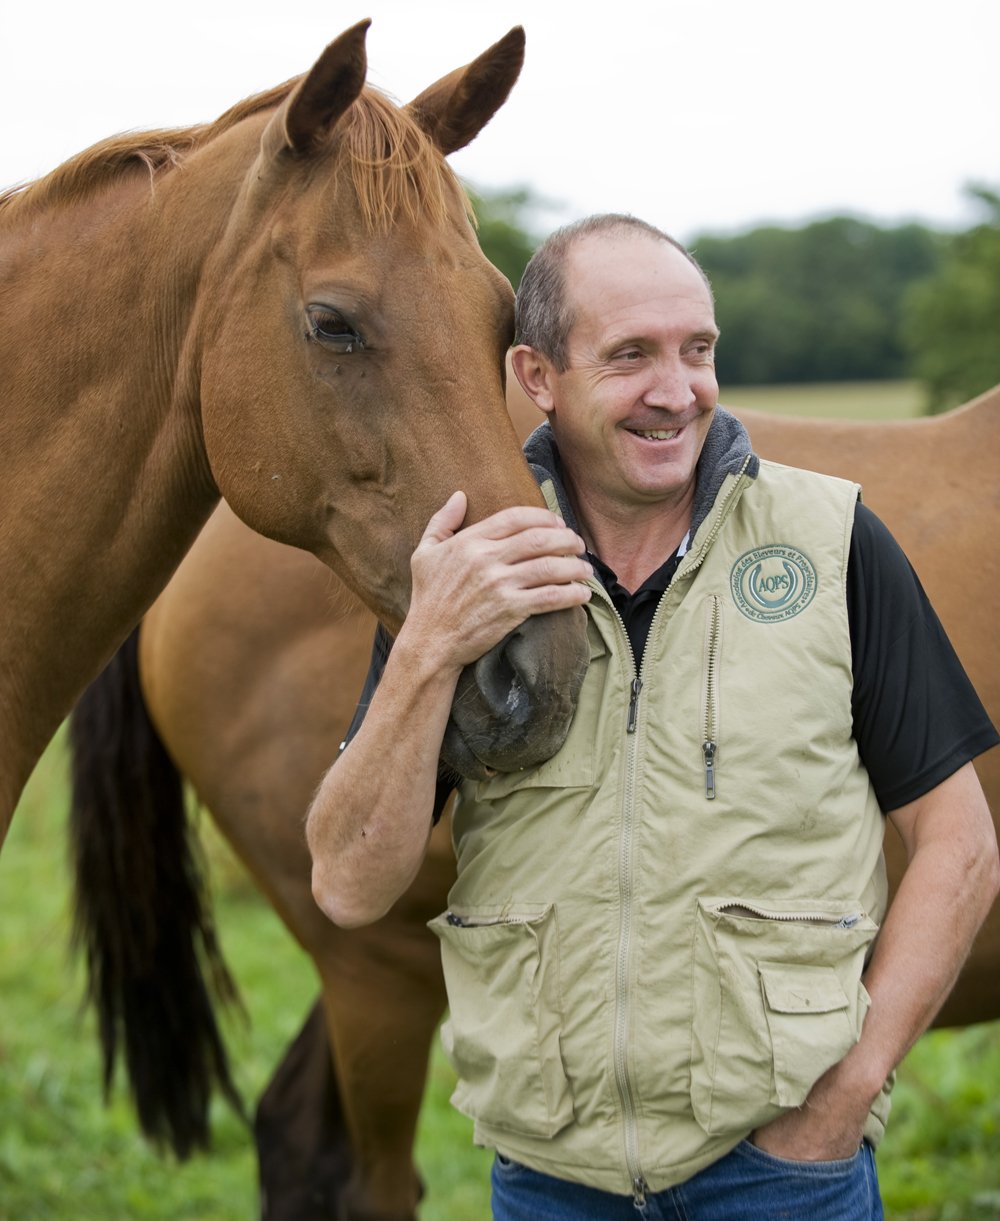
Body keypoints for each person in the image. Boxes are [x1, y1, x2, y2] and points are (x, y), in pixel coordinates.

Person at [305, 214, 1000, 1219]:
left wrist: (846, 1094)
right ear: (538, 376)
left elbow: (960, 843)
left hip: (783, 1178)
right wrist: (426, 645)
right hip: (550, 1180)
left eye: (697, 350)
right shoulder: (472, 577)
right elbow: (348, 883)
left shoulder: (834, 543)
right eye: (631, 355)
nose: (677, 391)